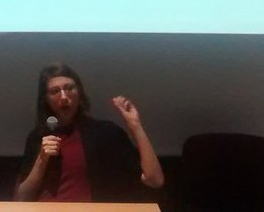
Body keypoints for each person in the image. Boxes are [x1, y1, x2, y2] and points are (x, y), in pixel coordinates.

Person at [14, 63, 164, 202]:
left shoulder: (104, 132)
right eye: (55, 91)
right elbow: (21, 199)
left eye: (69, 88)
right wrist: (41, 159)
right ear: (46, 99)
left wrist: (135, 126)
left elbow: (154, 180)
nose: (64, 97)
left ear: (79, 93)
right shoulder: (37, 137)